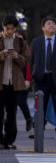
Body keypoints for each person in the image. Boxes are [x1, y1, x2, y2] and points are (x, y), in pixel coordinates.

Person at [30, 17, 56, 139]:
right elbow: (31, 61)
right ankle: (38, 130)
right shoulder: (36, 42)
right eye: (49, 24)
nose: (52, 25)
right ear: (43, 28)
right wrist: (33, 75)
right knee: (39, 107)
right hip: (41, 79)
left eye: (53, 24)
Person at [0, 15, 30, 149]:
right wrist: (2, 54)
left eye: (12, 29)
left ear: (15, 28)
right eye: (7, 29)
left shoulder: (20, 41)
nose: (9, 31)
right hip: (1, 83)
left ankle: (9, 140)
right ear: (3, 26)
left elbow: (26, 60)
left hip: (14, 83)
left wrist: (17, 56)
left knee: (12, 113)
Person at [15, 29, 32, 132]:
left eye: (19, 36)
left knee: (21, 101)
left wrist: (28, 79)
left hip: (23, 79)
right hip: (12, 79)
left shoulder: (27, 49)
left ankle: (28, 118)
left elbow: (28, 66)